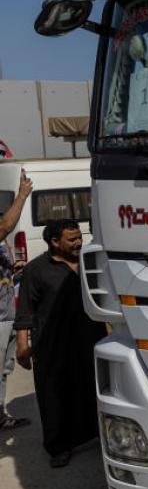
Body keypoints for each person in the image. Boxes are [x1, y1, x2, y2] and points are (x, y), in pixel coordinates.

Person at [15, 219, 108, 467]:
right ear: (55, 242)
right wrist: (23, 347)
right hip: (51, 345)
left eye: (80, 237)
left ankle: (100, 436)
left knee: (93, 389)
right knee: (54, 395)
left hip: (90, 339)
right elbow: (25, 310)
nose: (79, 243)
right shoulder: (36, 270)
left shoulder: (91, 263)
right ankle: (59, 446)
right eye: (72, 239)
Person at [0, 171, 33, 431]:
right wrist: (21, 196)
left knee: (4, 367)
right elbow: (5, 228)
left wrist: (13, 267)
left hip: (6, 310)